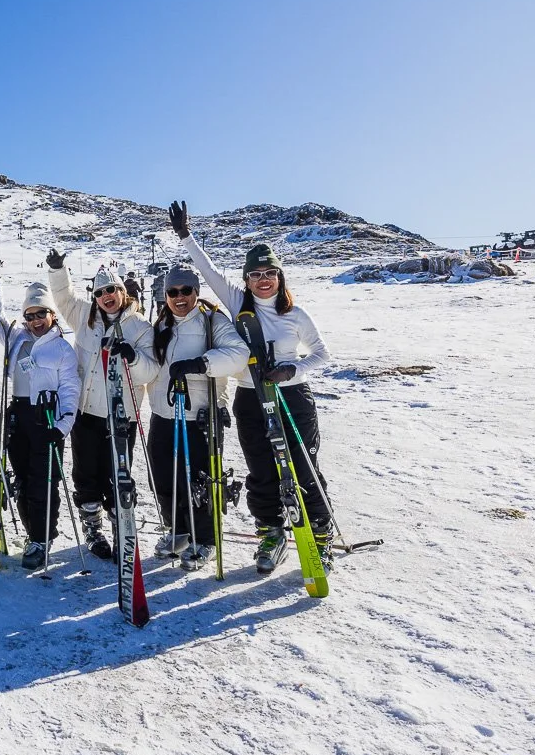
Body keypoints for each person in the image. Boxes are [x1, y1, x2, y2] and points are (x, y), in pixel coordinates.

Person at [172, 200, 335, 569]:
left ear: (280, 277)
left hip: (291, 398)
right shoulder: (237, 302)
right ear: (246, 279)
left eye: (269, 273)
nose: (263, 280)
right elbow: (208, 272)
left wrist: (291, 370)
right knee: (261, 469)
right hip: (249, 398)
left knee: (303, 467)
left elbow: (323, 355)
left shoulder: (295, 314)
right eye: (256, 274)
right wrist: (185, 236)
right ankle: (271, 533)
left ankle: (319, 537)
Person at [46, 250, 160, 561]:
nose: (106, 296)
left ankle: (119, 524)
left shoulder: (140, 327)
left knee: (118, 472)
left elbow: (151, 371)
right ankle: (93, 528)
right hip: (88, 413)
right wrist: (58, 269)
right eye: (100, 292)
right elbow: (63, 298)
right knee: (86, 473)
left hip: (122, 416)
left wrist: (132, 358)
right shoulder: (85, 317)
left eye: (111, 290)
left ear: (123, 292)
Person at [143, 265, 249, 570]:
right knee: (163, 478)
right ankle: (178, 530)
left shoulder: (212, 320)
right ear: (165, 295)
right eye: (172, 292)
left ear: (195, 291)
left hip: (200, 416)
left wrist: (201, 364)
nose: (179, 297)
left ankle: (206, 539)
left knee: (200, 481)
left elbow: (238, 354)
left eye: (185, 291)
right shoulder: (161, 324)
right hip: (163, 413)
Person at [0, 257, 80, 570]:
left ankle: (42, 537)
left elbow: (70, 391)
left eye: (41, 314)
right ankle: (33, 532)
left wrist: (62, 427)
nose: (36, 320)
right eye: (30, 315)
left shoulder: (62, 349)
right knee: (21, 479)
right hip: (19, 414)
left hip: (47, 418)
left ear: (52, 315)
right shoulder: (17, 338)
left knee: (43, 480)